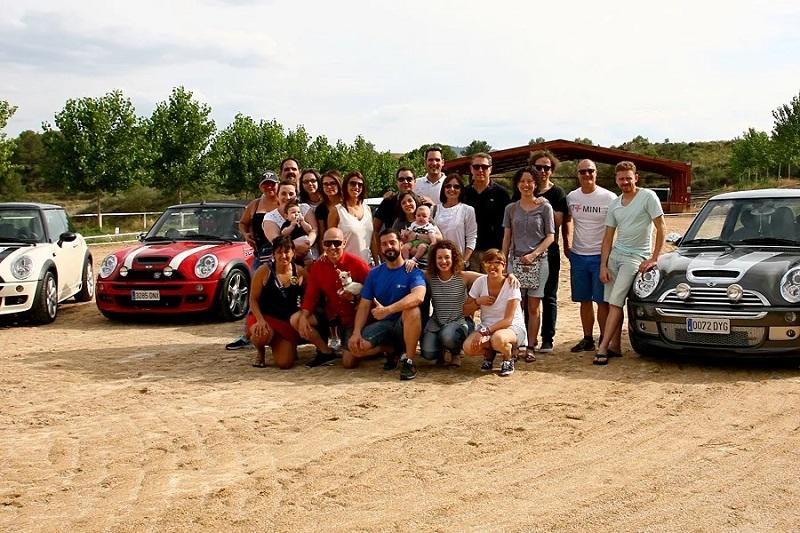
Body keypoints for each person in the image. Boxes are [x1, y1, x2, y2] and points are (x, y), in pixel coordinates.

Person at [594, 161, 666, 365]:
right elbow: (608, 237)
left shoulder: (648, 196)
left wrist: (654, 257)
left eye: (628, 178)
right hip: (615, 257)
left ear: (636, 178)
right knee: (610, 302)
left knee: (616, 302)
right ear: (616, 180)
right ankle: (614, 346)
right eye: (621, 179)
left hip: (635, 258)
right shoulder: (615, 204)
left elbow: (661, 227)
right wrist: (603, 265)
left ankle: (602, 347)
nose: (625, 182)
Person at [346, 229, 426, 381]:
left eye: (392, 242)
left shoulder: (412, 271)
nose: (389, 247)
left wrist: (388, 310)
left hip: (404, 324)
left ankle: (409, 361)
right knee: (355, 351)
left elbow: (418, 296)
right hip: (383, 325)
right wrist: (356, 332)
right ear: (380, 248)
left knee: (412, 310)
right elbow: (364, 305)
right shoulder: (374, 274)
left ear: (401, 244)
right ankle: (390, 350)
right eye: (384, 244)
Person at [421, 240, 510, 367]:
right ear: (434, 260)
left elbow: (492, 276)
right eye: (439, 258)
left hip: (459, 321)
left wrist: (510, 276)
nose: (443, 261)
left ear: (454, 258)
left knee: (448, 336)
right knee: (428, 353)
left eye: (447, 257)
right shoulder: (429, 277)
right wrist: (410, 262)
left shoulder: (464, 276)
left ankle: (455, 353)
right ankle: (442, 351)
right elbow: (413, 273)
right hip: (437, 322)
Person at [295, 227, 370, 368]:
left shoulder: (358, 264)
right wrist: (304, 316)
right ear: (322, 244)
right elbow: (311, 295)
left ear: (344, 243)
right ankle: (325, 352)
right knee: (297, 319)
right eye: (328, 243)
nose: (332, 247)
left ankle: (381, 348)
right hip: (332, 315)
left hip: (354, 318)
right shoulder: (318, 266)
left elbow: (373, 291)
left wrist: (356, 299)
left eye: (337, 243)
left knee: (348, 362)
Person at [563, 159, 617, 353]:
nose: (587, 175)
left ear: (596, 173)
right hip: (578, 255)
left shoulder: (609, 197)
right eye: (582, 171)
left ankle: (604, 339)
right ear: (577, 174)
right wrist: (567, 244)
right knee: (583, 299)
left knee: (602, 301)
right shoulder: (572, 197)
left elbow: (617, 225)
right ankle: (587, 338)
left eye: (590, 171)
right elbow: (567, 220)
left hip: (600, 256)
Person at [501, 167, 554, 361]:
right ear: (517, 184)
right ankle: (516, 345)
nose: (526, 185)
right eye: (522, 181)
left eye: (530, 181)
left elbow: (550, 236)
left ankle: (531, 346)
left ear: (536, 184)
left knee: (533, 306)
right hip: (515, 262)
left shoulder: (545, 207)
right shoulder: (511, 208)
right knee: (516, 306)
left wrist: (534, 254)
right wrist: (503, 261)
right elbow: (507, 237)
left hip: (539, 262)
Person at [226, 170, 280, 351]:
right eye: (266, 184)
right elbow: (242, 223)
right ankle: (248, 334)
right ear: (260, 186)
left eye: (272, 183)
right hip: (260, 256)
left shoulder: (283, 201)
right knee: (255, 295)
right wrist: (246, 234)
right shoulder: (255, 204)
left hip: (282, 255)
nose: (269, 187)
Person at [248, 236, 314, 369]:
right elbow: (253, 299)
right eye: (279, 252)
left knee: (285, 363)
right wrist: (260, 320)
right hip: (265, 318)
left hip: (287, 321)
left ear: (293, 253)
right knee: (261, 333)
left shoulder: (300, 272)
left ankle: (284, 344)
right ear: (273, 254)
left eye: (287, 252)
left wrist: (303, 315)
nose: (283, 256)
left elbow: (310, 296)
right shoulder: (263, 271)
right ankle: (261, 352)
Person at [462, 249, 527, 377]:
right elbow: (465, 310)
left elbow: (508, 320)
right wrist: (478, 302)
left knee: (498, 338)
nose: (492, 266)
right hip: (487, 326)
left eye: (497, 262)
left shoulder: (511, 284)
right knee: (468, 347)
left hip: (512, 327)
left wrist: (484, 332)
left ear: (503, 265)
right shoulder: (480, 282)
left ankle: (507, 357)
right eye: (488, 263)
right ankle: (489, 354)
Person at [529, 150, 568, 354]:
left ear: (552, 170)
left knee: (549, 296)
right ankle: (528, 337)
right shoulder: (524, 188)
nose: (542, 171)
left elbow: (558, 222)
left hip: (549, 251)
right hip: (525, 253)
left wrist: (544, 204)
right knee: (527, 297)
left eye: (547, 167)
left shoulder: (557, 193)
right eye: (538, 167)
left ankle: (547, 338)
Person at [463, 152, 511, 271]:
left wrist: (504, 253)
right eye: (476, 167)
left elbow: (508, 225)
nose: (480, 170)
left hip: (493, 252)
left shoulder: (501, 194)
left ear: (490, 169)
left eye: (484, 167)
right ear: (471, 169)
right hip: (469, 252)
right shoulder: (464, 193)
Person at [263, 180, 317, 264]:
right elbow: (276, 240)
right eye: (283, 193)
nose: (288, 197)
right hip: (285, 259)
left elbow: (314, 230)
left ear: (296, 195)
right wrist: (295, 246)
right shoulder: (270, 217)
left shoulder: (304, 208)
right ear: (277, 195)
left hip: (310, 254)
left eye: (291, 194)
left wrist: (307, 243)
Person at [328, 171, 375, 264]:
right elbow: (330, 241)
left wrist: (377, 263)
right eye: (353, 183)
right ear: (346, 186)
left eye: (360, 184)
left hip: (367, 265)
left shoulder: (367, 209)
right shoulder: (337, 211)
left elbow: (372, 240)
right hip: (345, 266)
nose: (356, 187)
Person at [432, 173, 477, 267]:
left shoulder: (468, 210)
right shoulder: (434, 209)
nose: (452, 189)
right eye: (448, 186)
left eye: (456, 187)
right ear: (443, 189)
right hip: (437, 262)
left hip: (458, 263)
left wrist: (463, 261)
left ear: (461, 190)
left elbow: (471, 238)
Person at [391, 191, 442, 270]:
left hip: (426, 263)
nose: (407, 204)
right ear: (401, 206)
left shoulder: (426, 218)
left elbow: (439, 238)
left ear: (415, 202)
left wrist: (417, 236)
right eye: (403, 203)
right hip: (406, 265)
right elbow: (394, 242)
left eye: (410, 201)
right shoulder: (398, 222)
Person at [372, 167, 419, 252]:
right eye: (401, 179)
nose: (405, 182)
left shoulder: (421, 202)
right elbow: (374, 230)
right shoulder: (387, 202)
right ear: (396, 183)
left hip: (419, 255)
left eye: (409, 179)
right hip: (393, 255)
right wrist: (382, 255)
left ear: (415, 182)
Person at [314, 170, 342, 253]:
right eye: (325, 184)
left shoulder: (347, 204)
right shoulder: (321, 208)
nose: (329, 187)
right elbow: (322, 234)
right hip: (332, 249)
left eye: (333, 183)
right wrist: (324, 254)